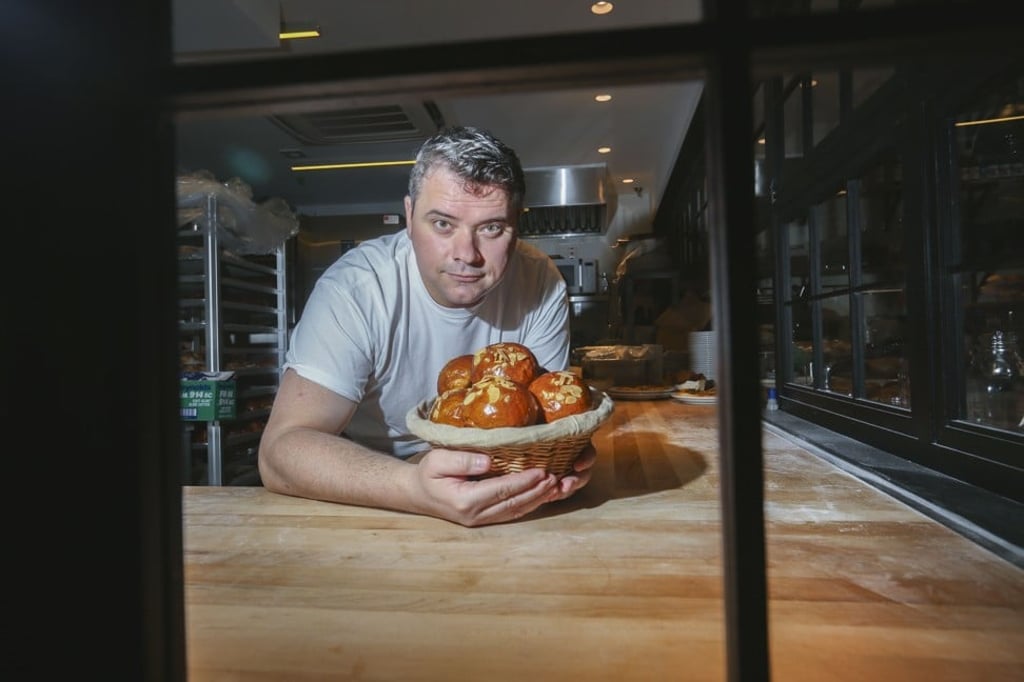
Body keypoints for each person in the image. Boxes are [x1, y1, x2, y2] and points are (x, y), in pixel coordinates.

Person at [258, 125, 596, 526]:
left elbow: (541, 428)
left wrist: (559, 455)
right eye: (442, 224)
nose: (466, 255)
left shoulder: (540, 282)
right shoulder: (356, 289)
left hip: (496, 485)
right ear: (408, 215)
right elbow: (280, 452)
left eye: (491, 228)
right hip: (373, 485)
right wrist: (414, 485)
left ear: (515, 226)